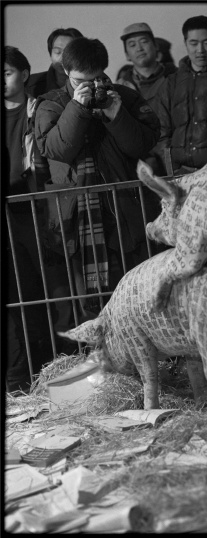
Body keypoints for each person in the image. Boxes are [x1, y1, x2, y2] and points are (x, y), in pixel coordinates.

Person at [34, 36, 161, 311]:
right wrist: (77, 108)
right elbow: (57, 150)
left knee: (139, 293)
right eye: (80, 81)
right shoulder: (51, 104)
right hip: (77, 218)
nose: (89, 87)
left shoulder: (123, 97)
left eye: (95, 79)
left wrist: (117, 115)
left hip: (124, 211)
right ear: (66, 71)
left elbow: (143, 143)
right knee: (92, 306)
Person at [4, 46, 53, 392]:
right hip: (7, 210)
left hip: (33, 207)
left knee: (41, 289)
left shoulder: (39, 107)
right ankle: (20, 377)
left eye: (6, 72)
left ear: (23, 73)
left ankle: (51, 367)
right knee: (13, 294)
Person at [153, 15, 207, 176]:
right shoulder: (172, 82)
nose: (200, 50)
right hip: (183, 174)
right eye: (193, 43)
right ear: (185, 43)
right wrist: (173, 171)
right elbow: (162, 132)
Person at [117, 22, 177, 175]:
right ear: (126, 55)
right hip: (140, 166)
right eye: (132, 44)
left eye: (144, 41)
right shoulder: (120, 89)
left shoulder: (176, 78)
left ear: (156, 46)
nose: (139, 48)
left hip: (175, 158)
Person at [27, 27, 83, 98]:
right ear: (50, 54)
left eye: (68, 52)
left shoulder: (92, 83)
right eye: (57, 52)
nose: (62, 59)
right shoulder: (32, 84)